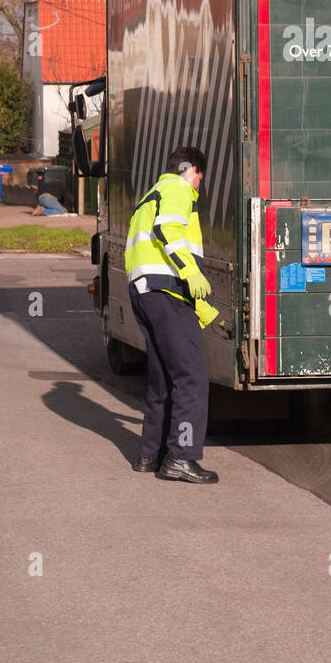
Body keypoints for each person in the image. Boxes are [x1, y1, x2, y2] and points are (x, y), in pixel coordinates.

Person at [124, 144, 220, 484]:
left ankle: (150, 455)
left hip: (146, 293)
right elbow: (168, 231)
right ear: (191, 169)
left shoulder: (151, 194)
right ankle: (181, 457)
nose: (198, 187)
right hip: (166, 293)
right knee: (191, 377)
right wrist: (190, 271)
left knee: (163, 377)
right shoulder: (177, 187)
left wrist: (199, 305)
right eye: (200, 178)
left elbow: (150, 250)